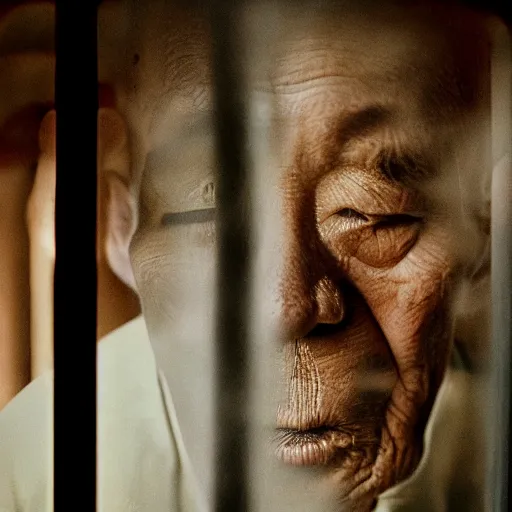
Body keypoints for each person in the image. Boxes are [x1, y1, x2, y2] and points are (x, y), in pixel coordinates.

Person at [0, 0, 501, 510]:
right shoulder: (29, 478)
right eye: (202, 213)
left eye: (370, 213)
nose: (282, 308)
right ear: (122, 231)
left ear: (480, 237)